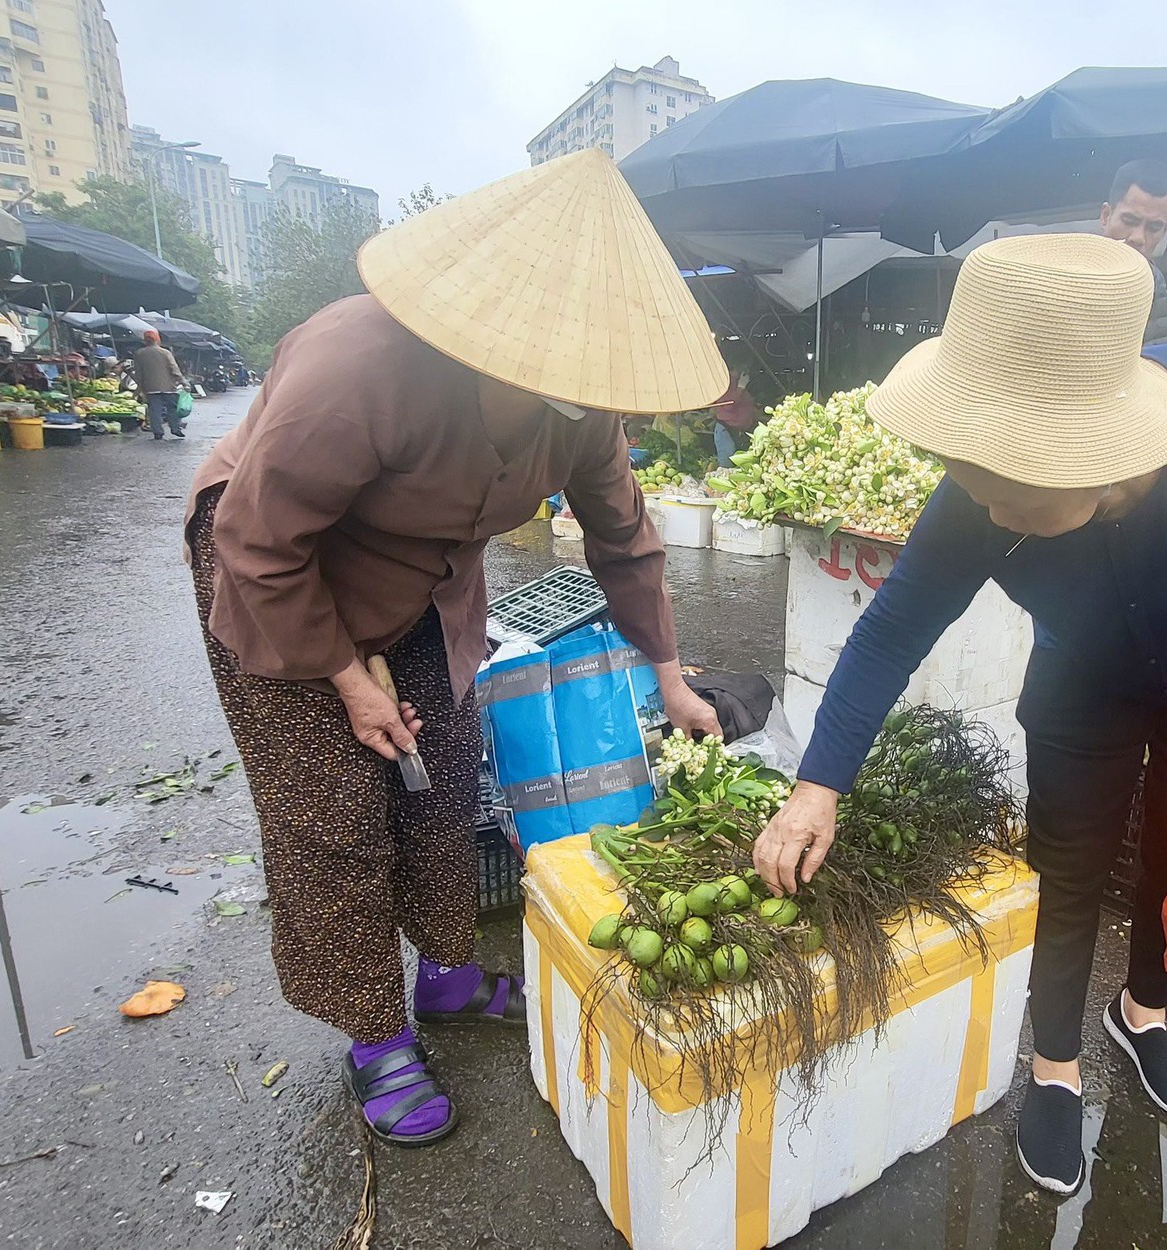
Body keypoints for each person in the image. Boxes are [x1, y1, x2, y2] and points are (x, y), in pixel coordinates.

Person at [750, 234, 1167, 1195]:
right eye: (978, 488)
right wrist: (816, 787)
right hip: (1084, 680)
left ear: (1098, 461)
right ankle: (1055, 1067)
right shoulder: (981, 494)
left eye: (1014, 500)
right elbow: (890, 631)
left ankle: (1145, 1014)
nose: (989, 517)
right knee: (1066, 867)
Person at [185, 149, 728, 1149]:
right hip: (277, 575)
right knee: (334, 810)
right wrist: (347, 679)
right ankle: (372, 1029)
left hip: (427, 586)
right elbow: (256, 541)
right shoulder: (356, 368)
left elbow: (622, 537)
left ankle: (443, 968)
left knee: (437, 784)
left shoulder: (580, 412)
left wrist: (667, 671)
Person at [1100, 159, 1167, 343]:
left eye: (1154, 227)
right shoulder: (1063, 275)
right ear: (1106, 216)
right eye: (1129, 221)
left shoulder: (1156, 292)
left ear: (1166, 230)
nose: (1138, 237)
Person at [132, 329, 186, 439]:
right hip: (168, 386)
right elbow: (174, 368)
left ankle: (158, 432)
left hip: (150, 387)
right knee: (172, 408)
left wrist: (140, 387)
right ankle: (175, 428)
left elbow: (138, 373)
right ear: (157, 339)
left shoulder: (139, 353)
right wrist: (183, 381)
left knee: (154, 410)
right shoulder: (165, 352)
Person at [710, 369, 758, 463]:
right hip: (726, 430)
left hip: (740, 430)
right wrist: (741, 387)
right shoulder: (725, 383)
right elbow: (729, 405)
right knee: (727, 465)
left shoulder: (736, 383)